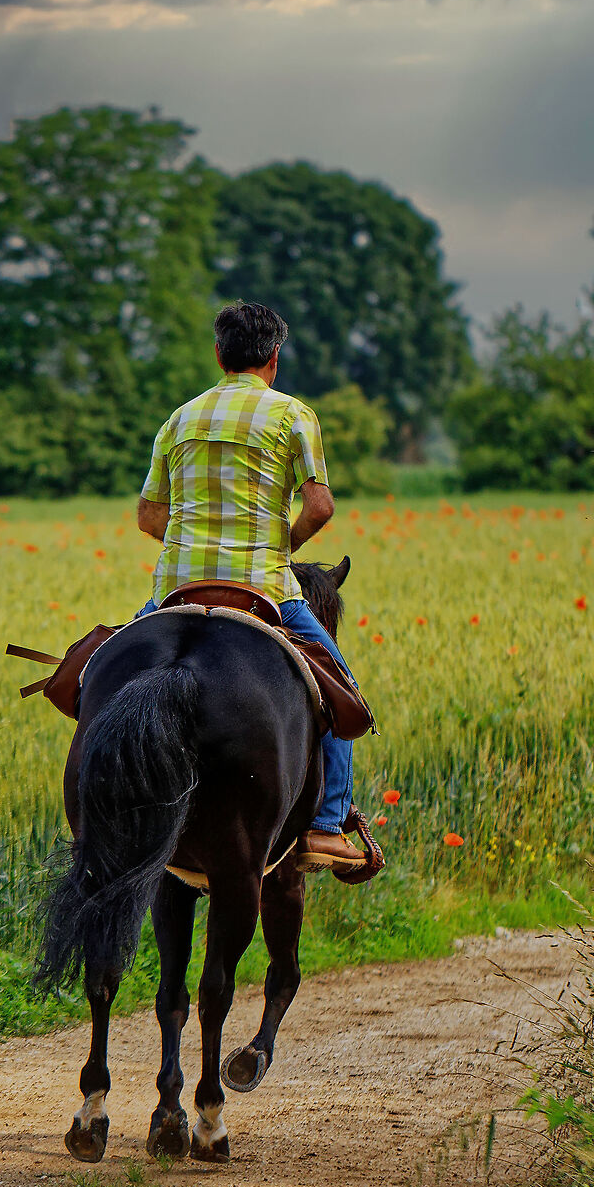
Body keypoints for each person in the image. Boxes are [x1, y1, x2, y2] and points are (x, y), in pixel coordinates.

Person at [134, 299, 362, 869]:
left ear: (219, 354)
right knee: (340, 693)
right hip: (264, 589)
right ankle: (327, 826)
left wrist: (194, 543)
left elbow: (147, 517)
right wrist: (280, 546)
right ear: (274, 359)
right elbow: (320, 505)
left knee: (100, 675)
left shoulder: (180, 417)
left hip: (175, 590)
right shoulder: (293, 414)